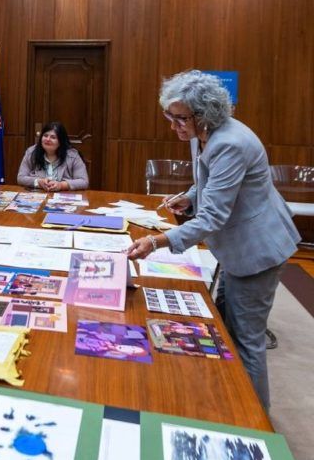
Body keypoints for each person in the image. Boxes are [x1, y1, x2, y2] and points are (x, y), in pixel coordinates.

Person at [126, 70, 301, 409]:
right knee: (225, 323)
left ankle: (255, 423)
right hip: (238, 246)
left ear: (203, 115)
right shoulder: (203, 134)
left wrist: (157, 242)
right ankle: (230, 406)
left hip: (257, 250)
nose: (173, 126)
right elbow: (211, 182)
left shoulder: (231, 143)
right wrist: (191, 195)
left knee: (246, 340)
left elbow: (213, 217)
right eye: (170, 117)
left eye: (179, 119)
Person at [16, 121, 89, 191]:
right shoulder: (31, 152)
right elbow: (21, 178)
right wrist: (38, 182)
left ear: (61, 141)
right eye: (45, 135)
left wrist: (61, 185)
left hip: (63, 197)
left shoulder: (72, 156)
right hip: (38, 195)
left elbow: (84, 182)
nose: (48, 139)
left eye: (53, 137)